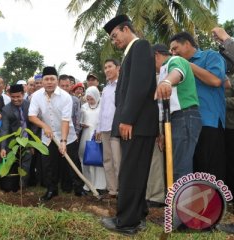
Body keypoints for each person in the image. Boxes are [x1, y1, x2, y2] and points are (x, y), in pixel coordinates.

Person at [100, 15, 159, 235]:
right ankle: (139, 213)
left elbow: (139, 86)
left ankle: (126, 222)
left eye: (115, 36)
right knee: (136, 172)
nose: (114, 41)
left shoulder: (140, 46)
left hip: (137, 124)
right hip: (138, 123)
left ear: (126, 29)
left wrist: (127, 119)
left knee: (130, 173)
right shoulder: (130, 54)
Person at [170, 32, 226, 182]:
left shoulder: (210, 56)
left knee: (210, 170)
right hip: (185, 123)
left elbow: (216, 81)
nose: (173, 53)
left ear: (187, 44)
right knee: (190, 167)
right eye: (171, 52)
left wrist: (187, 65)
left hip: (209, 121)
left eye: (176, 49)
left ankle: (215, 204)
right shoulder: (175, 67)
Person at [29, 66, 86, 201]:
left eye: (52, 79)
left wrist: (63, 141)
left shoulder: (66, 97)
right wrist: (44, 126)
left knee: (73, 162)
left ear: (57, 80)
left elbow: (66, 120)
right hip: (47, 137)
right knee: (49, 164)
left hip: (67, 135)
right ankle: (51, 190)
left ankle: (79, 188)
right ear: (42, 81)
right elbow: (32, 116)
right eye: (46, 79)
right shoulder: (36, 96)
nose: (49, 82)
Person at [153, 43, 201, 181]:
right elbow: (163, 105)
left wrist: (167, 82)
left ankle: (183, 202)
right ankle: (177, 200)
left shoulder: (175, 60)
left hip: (184, 115)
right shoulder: (162, 70)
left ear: (156, 55)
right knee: (175, 163)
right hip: (174, 118)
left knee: (181, 165)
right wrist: (162, 132)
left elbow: (177, 72)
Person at [95, 59, 121, 199]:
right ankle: (112, 190)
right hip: (105, 128)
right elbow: (102, 109)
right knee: (107, 160)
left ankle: (122, 189)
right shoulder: (105, 88)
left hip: (117, 128)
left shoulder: (122, 85)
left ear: (118, 68)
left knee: (118, 161)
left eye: (109, 67)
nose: (107, 70)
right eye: (105, 67)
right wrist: (98, 128)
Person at [0, 84, 33, 187]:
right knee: (13, 164)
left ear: (23, 94)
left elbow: (34, 125)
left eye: (18, 97)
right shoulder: (6, 109)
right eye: (13, 97)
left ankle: (23, 186)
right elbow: (4, 129)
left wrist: (32, 143)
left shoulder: (29, 105)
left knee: (26, 165)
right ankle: (12, 185)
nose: (15, 99)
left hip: (27, 140)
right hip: (13, 142)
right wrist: (3, 147)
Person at [79, 86, 106, 192]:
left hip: (98, 134)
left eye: (92, 99)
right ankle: (88, 183)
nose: (90, 101)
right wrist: (82, 124)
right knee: (86, 158)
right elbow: (81, 120)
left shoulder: (102, 106)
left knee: (99, 158)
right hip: (86, 134)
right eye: (88, 99)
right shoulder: (84, 107)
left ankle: (100, 184)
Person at [58, 74, 81, 193]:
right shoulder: (54, 99)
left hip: (72, 136)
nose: (65, 88)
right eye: (62, 86)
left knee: (74, 160)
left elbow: (77, 118)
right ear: (58, 85)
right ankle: (65, 186)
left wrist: (77, 134)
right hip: (59, 136)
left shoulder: (75, 100)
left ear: (71, 86)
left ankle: (78, 186)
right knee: (62, 162)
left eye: (67, 85)